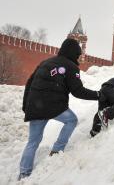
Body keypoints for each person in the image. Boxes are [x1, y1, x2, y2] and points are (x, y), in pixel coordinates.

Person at [19, 38, 103, 180]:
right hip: (53, 106)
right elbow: (78, 91)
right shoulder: (71, 67)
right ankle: (57, 150)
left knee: (32, 142)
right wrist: (99, 95)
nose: (78, 57)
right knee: (71, 120)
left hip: (35, 106)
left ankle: (23, 173)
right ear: (73, 53)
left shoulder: (45, 62)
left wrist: (26, 105)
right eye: (77, 54)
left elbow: (29, 83)